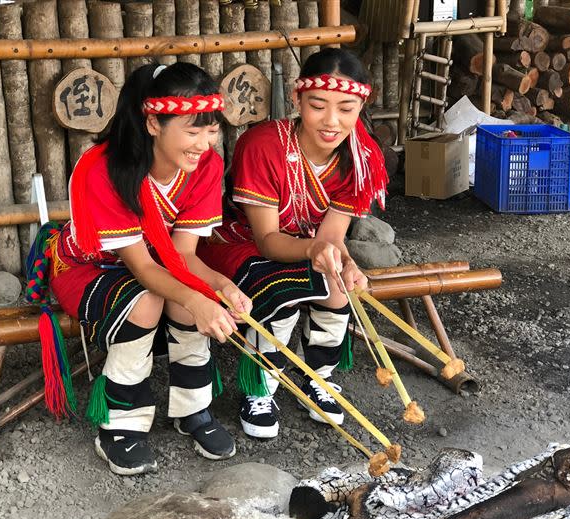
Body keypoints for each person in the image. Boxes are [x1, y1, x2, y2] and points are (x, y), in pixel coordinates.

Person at [29, 62, 252, 476]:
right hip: (87, 266)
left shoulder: (205, 167)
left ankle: (194, 410)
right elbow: (144, 267)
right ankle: (121, 424)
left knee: (196, 298)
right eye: (192, 130)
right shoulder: (102, 170)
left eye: (212, 129)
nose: (204, 143)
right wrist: (195, 296)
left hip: (156, 264)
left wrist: (221, 287)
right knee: (148, 302)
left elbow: (183, 256)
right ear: (153, 123)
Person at [198, 48, 388, 439]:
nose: (332, 121)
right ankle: (260, 386)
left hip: (303, 247)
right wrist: (315, 250)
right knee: (285, 283)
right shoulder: (263, 144)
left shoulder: (362, 157)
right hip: (238, 243)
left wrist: (344, 261)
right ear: (297, 100)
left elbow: (332, 237)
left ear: (361, 107)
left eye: (346, 108)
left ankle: (317, 377)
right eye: (318, 105)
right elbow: (267, 240)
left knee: (338, 282)